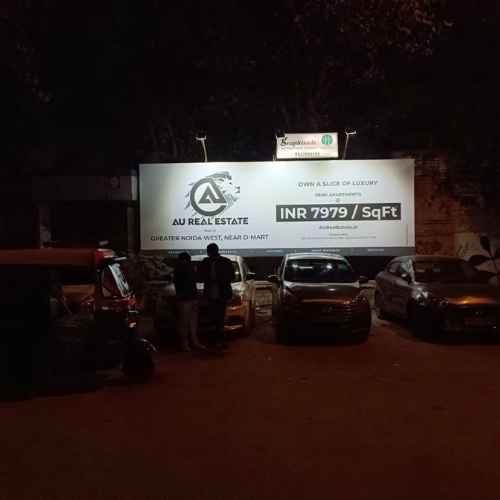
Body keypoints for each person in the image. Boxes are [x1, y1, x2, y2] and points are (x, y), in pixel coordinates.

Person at [198, 244, 235, 349]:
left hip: (222, 293)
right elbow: (200, 275)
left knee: (220, 318)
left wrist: (219, 279)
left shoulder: (225, 261)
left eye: (209, 252)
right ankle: (214, 340)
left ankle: (220, 340)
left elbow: (231, 276)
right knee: (212, 318)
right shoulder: (205, 262)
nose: (208, 254)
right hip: (210, 294)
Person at [173, 252, 206, 352]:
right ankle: (187, 343)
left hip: (190, 299)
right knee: (187, 323)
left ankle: (191, 342)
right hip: (186, 299)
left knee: (190, 322)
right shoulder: (183, 270)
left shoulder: (182, 269)